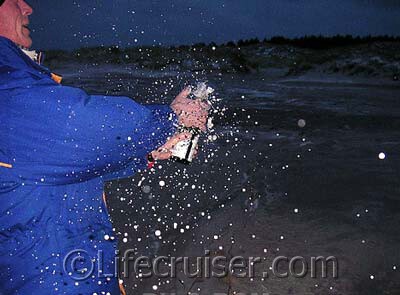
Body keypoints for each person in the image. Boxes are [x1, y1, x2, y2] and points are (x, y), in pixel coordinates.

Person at [0, 0, 209, 294]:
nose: (27, 8)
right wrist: (172, 117)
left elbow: (64, 163)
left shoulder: (16, 77)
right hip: (49, 278)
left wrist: (147, 153)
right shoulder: (6, 82)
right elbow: (83, 127)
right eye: (14, 0)